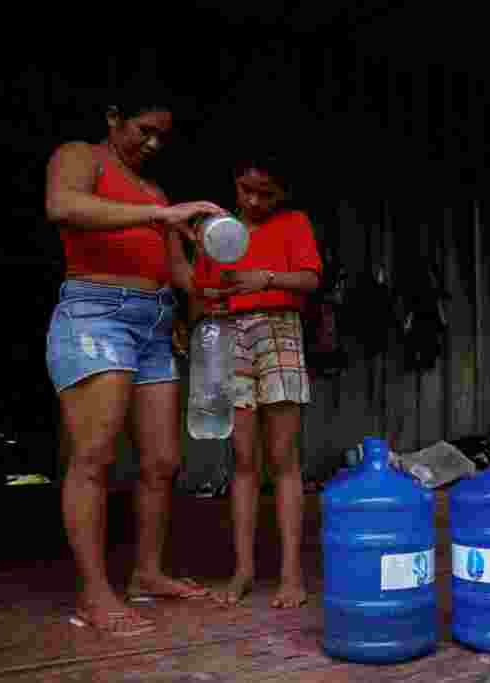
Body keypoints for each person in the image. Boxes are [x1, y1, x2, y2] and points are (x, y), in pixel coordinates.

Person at [44, 86, 229, 636]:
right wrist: (161, 212)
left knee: (162, 461)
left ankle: (146, 573)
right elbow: (63, 205)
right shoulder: (82, 157)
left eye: (160, 135)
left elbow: (179, 275)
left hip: (153, 321)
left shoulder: (155, 192)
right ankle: (93, 593)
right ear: (112, 117)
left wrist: (216, 264)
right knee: (95, 456)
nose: (152, 142)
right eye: (143, 129)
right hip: (96, 313)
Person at [186, 152, 322, 609]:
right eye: (246, 188)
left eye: (266, 192)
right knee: (243, 459)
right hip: (229, 336)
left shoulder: (294, 223)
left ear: (282, 193)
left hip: (279, 330)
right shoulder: (216, 233)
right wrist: (208, 307)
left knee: (283, 458)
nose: (255, 199)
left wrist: (262, 278)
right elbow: (200, 291)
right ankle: (243, 569)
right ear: (234, 184)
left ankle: (289, 574)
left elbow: (308, 280)